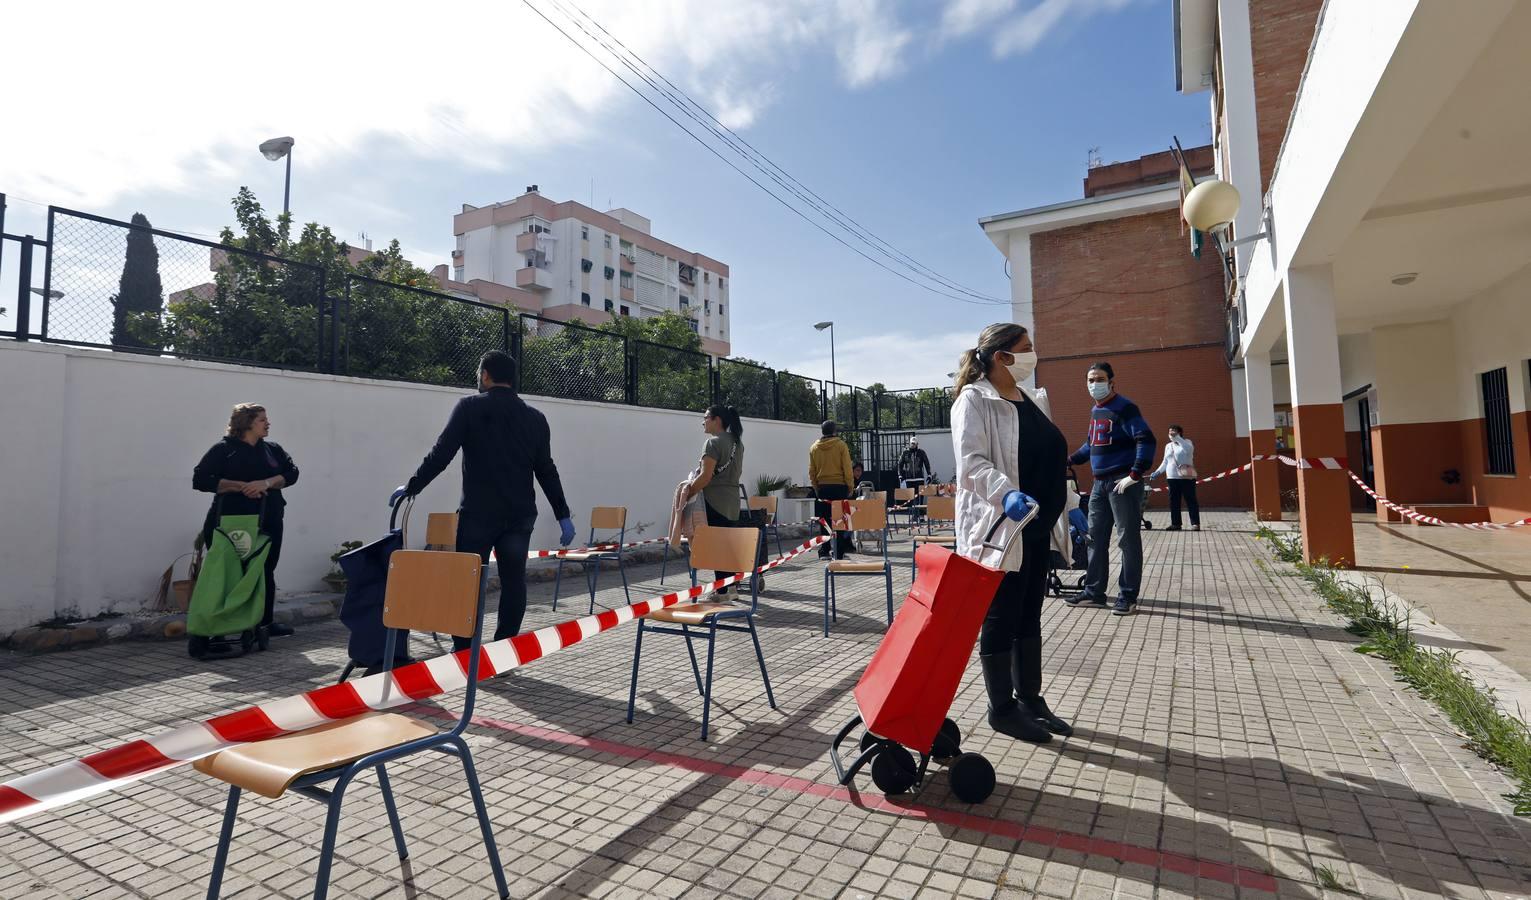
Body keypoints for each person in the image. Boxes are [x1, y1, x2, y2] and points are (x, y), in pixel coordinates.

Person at [403, 351, 574, 649]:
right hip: (519, 516)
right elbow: (546, 470)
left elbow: (442, 453)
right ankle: (504, 651)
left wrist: (413, 485)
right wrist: (563, 514)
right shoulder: (535, 419)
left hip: (478, 514)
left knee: (467, 582)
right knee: (513, 581)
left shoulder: (469, 407)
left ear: (485, 375)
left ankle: (464, 649)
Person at [953, 323, 1072, 743]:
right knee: (1001, 616)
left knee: (1029, 615)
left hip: (1038, 528)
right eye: (1026, 348)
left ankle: (1030, 699)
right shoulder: (975, 400)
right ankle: (1001, 709)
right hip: (1005, 527)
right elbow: (972, 464)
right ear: (1002, 356)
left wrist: (1068, 504)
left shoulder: (1031, 399)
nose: (1032, 354)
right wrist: (1006, 495)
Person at [193, 403, 301, 637]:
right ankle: (220, 625)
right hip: (229, 520)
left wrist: (266, 483)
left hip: (269, 518)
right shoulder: (223, 450)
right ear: (247, 422)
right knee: (226, 570)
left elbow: (292, 473)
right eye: (262, 419)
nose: (268, 423)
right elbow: (201, 479)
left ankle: (264, 623)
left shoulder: (273, 449)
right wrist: (239, 486)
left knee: (265, 567)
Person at [1067, 361, 1156, 616]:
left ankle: (1127, 596)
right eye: (1090, 380)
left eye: (1099, 379)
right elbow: (1090, 446)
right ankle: (1094, 592)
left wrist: (1135, 474)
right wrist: (1070, 460)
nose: (1094, 384)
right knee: (1095, 538)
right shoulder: (1096, 411)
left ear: (1112, 382)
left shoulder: (1125, 408)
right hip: (1099, 484)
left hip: (1121, 483)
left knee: (1127, 540)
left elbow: (1146, 439)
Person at [683, 405, 760, 596]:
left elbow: (706, 476)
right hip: (732, 501)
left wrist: (688, 491)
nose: (703, 421)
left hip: (713, 500)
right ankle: (730, 587)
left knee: (717, 547)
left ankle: (723, 591)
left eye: (706, 417)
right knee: (726, 545)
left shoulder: (712, 443)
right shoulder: (737, 443)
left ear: (717, 419)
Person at [809, 420, 856, 559]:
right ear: (835, 431)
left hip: (823, 487)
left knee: (824, 521)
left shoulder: (814, 448)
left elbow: (812, 471)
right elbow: (847, 468)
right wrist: (850, 486)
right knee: (840, 521)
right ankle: (839, 552)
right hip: (839, 487)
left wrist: (816, 487)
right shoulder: (841, 445)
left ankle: (824, 550)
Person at [1150, 424, 1200, 531]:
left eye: (1173, 432)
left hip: (1186, 477)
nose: (1171, 434)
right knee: (1174, 501)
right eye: (1169, 432)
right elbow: (1165, 462)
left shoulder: (1187, 442)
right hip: (1172, 478)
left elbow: (1189, 450)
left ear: (1180, 433)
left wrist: (1177, 438)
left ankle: (1195, 523)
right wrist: (1158, 472)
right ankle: (1176, 524)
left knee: (1190, 500)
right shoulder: (1168, 446)